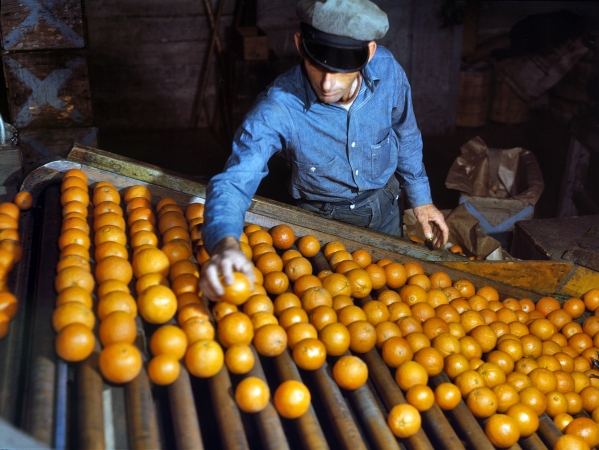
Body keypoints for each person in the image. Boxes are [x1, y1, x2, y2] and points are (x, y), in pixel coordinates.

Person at [200, 0, 449, 300]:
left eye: (342, 69)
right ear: (300, 46)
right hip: (319, 224)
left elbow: (406, 133)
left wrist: (421, 200)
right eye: (317, 64)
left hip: (384, 211)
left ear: (369, 53)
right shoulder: (279, 107)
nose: (327, 83)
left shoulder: (389, 72)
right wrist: (225, 242)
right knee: (324, 307)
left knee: (388, 301)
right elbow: (236, 179)